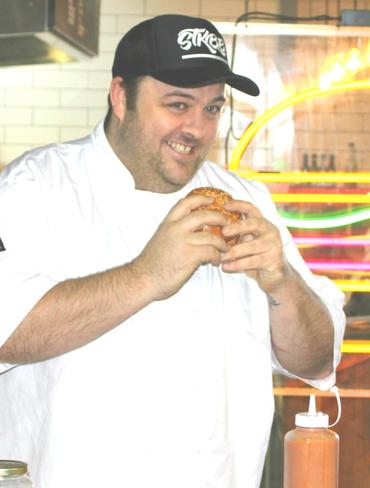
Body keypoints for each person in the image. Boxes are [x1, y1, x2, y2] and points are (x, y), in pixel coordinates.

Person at [0, 14, 345, 488]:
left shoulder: (247, 203)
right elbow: (7, 333)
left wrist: (282, 281)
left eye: (211, 109)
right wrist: (147, 275)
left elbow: (316, 360)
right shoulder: (37, 187)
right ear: (121, 96)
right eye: (178, 104)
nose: (197, 129)